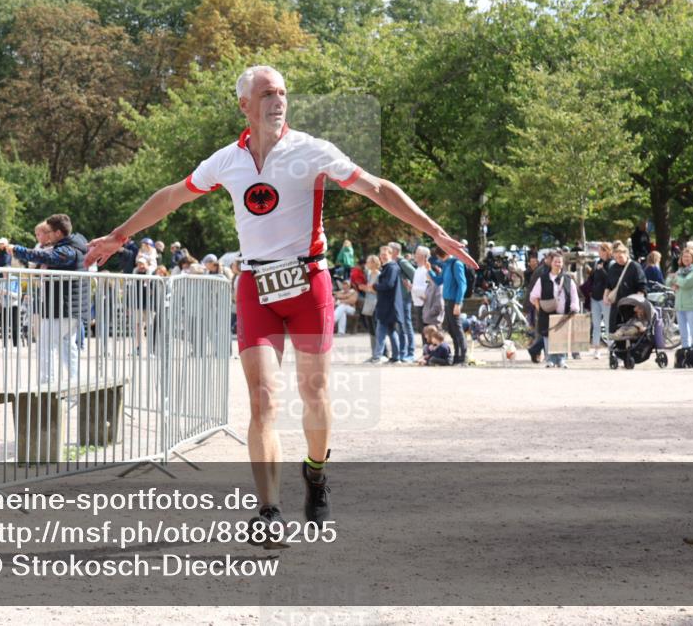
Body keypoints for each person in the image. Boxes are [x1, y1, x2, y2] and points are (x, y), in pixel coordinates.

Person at [83, 65, 477, 534]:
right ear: (244, 104)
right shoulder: (226, 160)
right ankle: (268, 512)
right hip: (256, 287)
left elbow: (375, 188)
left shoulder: (310, 150)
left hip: (309, 284)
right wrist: (119, 235)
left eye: (284, 93)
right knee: (263, 398)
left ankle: (316, 472)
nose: (279, 100)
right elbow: (172, 196)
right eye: (268, 93)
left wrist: (435, 233)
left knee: (314, 394)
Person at [9, 214, 89, 386]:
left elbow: (47, 257)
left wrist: (17, 250)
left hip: (62, 307)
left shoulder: (68, 250)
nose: (48, 235)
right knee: (68, 346)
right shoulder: (76, 243)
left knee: (46, 346)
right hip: (69, 307)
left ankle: (47, 387)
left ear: (59, 233)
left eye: (50, 232)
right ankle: (75, 384)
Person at [529, 250, 580, 368]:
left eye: (560, 262)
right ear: (551, 263)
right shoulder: (543, 279)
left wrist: (574, 308)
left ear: (563, 264)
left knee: (562, 336)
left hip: (563, 313)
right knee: (547, 336)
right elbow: (534, 296)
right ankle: (550, 359)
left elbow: (574, 295)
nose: (558, 264)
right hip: (546, 313)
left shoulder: (568, 279)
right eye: (555, 262)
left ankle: (561, 359)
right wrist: (539, 309)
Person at [430, 246, 467, 365]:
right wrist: (429, 270)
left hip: (453, 301)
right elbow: (438, 281)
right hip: (446, 301)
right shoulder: (446, 265)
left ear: (443, 255)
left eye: (439, 257)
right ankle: (457, 356)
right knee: (451, 330)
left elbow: (462, 285)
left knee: (457, 330)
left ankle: (462, 357)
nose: (439, 260)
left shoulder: (456, 264)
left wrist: (458, 303)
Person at [370, 245, 403, 364]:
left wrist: (375, 286)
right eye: (381, 254)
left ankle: (378, 356)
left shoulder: (392, 268)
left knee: (381, 332)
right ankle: (395, 357)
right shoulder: (388, 267)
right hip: (387, 305)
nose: (383, 256)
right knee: (391, 331)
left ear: (391, 254)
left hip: (388, 305)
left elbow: (388, 284)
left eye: (385, 254)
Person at [605, 242, 647, 334]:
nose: (618, 260)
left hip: (631, 306)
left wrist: (639, 304)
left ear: (626, 254)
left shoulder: (635, 267)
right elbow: (608, 285)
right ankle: (619, 348)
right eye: (615, 258)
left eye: (620, 257)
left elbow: (642, 286)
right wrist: (605, 296)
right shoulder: (613, 268)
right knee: (616, 332)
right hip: (617, 307)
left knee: (632, 332)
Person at [673, 248, 693, 349]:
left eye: (688, 256)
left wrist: (676, 279)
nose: (685, 258)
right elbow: (669, 281)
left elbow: (686, 283)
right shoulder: (681, 270)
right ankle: (685, 355)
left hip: (692, 305)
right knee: (683, 335)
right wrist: (675, 281)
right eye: (684, 256)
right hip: (680, 305)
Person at [391, 242, 417, 363]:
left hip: (404, 298)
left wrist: (410, 286)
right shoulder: (394, 263)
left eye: (390, 250)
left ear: (396, 251)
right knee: (400, 325)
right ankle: (403, 353)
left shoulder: (402, 262)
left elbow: (415, 275)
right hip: (397, 299)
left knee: (407, 324)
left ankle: (411, 352)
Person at [588, 242, 613, 359]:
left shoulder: (611, 263)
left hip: (606, 297)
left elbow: (610, 279)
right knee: (596, 324)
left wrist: (602, 270)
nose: (599, 252)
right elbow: (594, 278)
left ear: (607, 251)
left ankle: (611, 348)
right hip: (595, 297)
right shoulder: (597, 262)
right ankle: (596, 349)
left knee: (608, 324)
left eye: (601, 250)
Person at [358, 255, 380, 355]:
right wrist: (366, 288)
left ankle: (379, 352)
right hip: (368, 303)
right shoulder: (369, 274)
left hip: (375, 304)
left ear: (374, 263)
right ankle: (373, 353)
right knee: (371, 329)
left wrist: (366, 288)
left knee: (376, 328)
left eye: (368, 261)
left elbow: (378, 291)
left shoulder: (379, 275)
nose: (366, 263)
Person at [410, 245, 431, 346]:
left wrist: (412, 288)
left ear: (423, 256)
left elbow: (427, 288)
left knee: (426, 329)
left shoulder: (426, 270)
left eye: (417, 254)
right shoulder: (417, 269)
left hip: (425, 303)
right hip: (417, 302)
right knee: (421, 329)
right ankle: (425, 352)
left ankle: (428, 352)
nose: (415, 256)